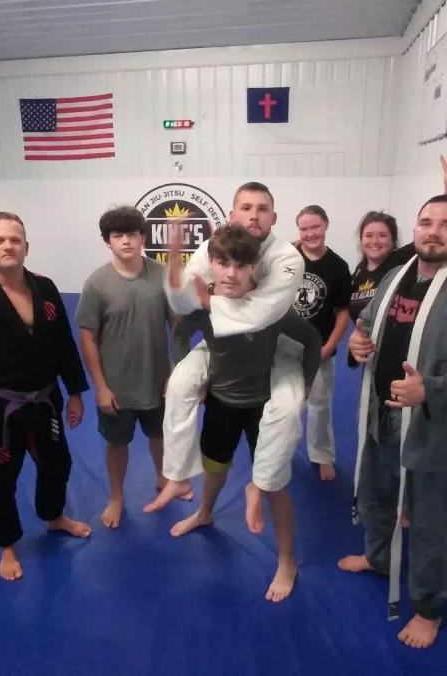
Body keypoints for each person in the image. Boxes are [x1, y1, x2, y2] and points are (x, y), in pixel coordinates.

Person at [338, 195, 447, 648]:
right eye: (426, 222)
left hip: (434, 426)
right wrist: (358, 343)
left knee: (431, 521)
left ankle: (429, 607)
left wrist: (429, 390)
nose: (434, 231)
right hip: (380, 412)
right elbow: (367, 323)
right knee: (376, 494)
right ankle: (378, 557)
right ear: (414, 230)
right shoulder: (396, 277)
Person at [143, 182, 305, 538]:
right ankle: (179, 478)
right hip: (222, 358)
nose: (254, 215)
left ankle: (261, 486)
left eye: (262, 208)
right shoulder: (210, 249)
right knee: (179, 384)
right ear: (231, 215)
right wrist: (176, 271)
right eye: (246, 207)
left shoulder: (288, 258)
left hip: (272, 353)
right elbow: (184, 304)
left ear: (274, 217)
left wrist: (208, 301)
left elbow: (262, 313)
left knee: (289, 411)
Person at [169, 224, 321, 602]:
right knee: (214, 469)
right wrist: (191, 377)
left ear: (254, 268)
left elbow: (311, 339)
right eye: (223, 264)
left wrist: (306, 384)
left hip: (261, 408)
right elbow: (180, 334)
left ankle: (286, 560)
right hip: (220, 403)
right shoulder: (205, 307)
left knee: (273, 485)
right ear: (211, 264)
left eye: (240, 265)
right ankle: (205, 512)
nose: (232, 274)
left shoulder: (269, 310)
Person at [0, 212, 91, 582]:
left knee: (58, 464)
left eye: (15, 240)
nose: (7, 246)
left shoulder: (45, 287)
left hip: (46, 400)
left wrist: (75, 391)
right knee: (1, 479)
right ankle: (7, 544)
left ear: (27, 247)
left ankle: (53, 516)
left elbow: (64, 344)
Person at [75, 206, 191, 530]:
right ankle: (116, 496)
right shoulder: (97, 283)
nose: (125, 241)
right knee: (117, 444)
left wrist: (176, 370)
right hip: (116, 387)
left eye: (132, 234)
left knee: (160, 436)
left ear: (143, 238)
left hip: (157, 380)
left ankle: (163, 478)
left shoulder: (162, 276)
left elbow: (178, 325)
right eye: (118, 235)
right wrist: (101, 387)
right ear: (107, 241)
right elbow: (87, 337)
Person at [349, 153, 447, 322]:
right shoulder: (359, 271)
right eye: (368, 235)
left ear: (392, 241)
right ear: (361, 239)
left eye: (382, 235)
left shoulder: (400, 261)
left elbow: (429, 239)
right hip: (361, 337)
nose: (374, 241)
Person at [293, 205, 352, 481]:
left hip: (319, 347)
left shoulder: (338, 266)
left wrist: (329, 346)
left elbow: (343, 312)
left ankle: (321, 455)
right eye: (304, 229)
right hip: (285, 346)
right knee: (285, 404)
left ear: (326, 225)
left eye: (315, 227)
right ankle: (281, 448)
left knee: (319, 404)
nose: (310, 234)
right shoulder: (288, 258)